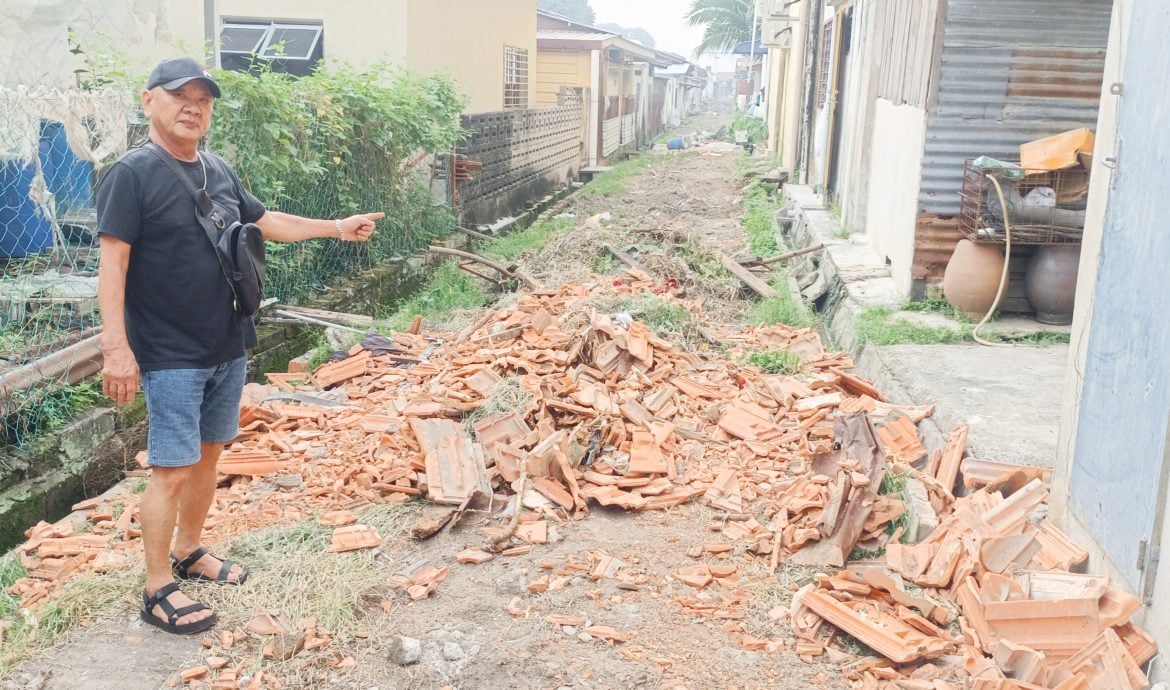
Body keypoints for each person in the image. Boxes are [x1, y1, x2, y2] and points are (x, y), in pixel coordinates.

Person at [96, 57, 383, 635]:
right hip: (170, 351)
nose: (193, 107)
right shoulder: (131, 174)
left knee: (209, 457)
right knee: (171, 470)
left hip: (227, 342)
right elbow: (112, 263)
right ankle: (157, 588)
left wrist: (334, 225)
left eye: (203, 99)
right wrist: (115, 349)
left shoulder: (217, 168)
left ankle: (191, 549)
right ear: (149, 100)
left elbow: (267, 219)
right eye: (181, 96)